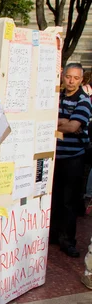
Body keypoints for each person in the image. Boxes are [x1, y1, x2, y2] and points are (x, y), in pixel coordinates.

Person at [51, 63, 92, 258]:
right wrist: (62, 122)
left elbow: (73, 126)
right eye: (68, 77)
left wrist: (58, 123)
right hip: (54, 156)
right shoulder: (55, 97)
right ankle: (53, 235)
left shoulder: (83, 101)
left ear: (81, 80)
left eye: (75, 78)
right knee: (54, 197)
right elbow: (50, 119)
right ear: (63, 76)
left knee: (69, 201)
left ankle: (68, 241)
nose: (71, 81)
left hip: (74, 158)